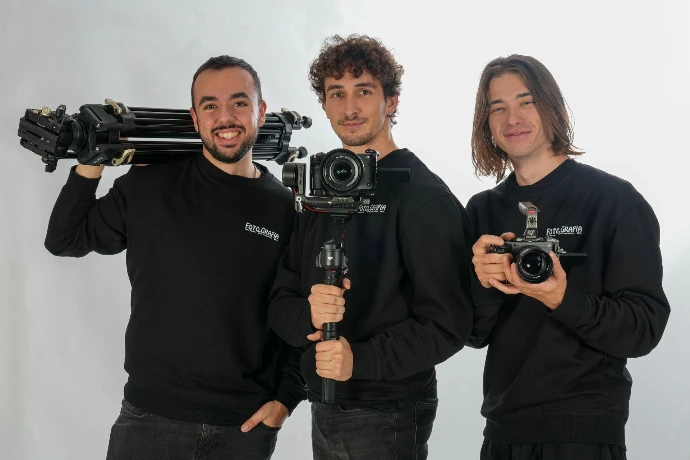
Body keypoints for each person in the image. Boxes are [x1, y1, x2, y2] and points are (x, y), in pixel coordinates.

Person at [44, 55, 306, 460]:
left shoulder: (285, 209)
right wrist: (92, 160)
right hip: (150, 421)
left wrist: (286, 399)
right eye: (210, 105)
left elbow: (299, 313)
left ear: (261, 111)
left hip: (244, 428)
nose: (225, 117)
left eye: (239, 102)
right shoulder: (150, 185)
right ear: (195, 118)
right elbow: (65, 239)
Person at [268, 34, 474, 460]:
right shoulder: (321, 190)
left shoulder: (423, 196)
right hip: (323, 404)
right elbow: (281, 297)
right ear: (324, 105)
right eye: (336, 93)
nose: (349, 108)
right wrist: (309, 314)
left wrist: (359, 361)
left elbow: (448, 324)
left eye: (363, 91)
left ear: (391, 101)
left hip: (387, 410)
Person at [466, 54, 670, 460]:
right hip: (502, 432)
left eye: (526, 101)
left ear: (552, 108)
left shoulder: (615, 201)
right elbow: (472, 334)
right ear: (486, 124)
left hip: (585, 432)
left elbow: (643, 328)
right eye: (497, 108)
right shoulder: (481, 210)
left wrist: (561, 299)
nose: (512, 118)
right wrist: (485, 284)